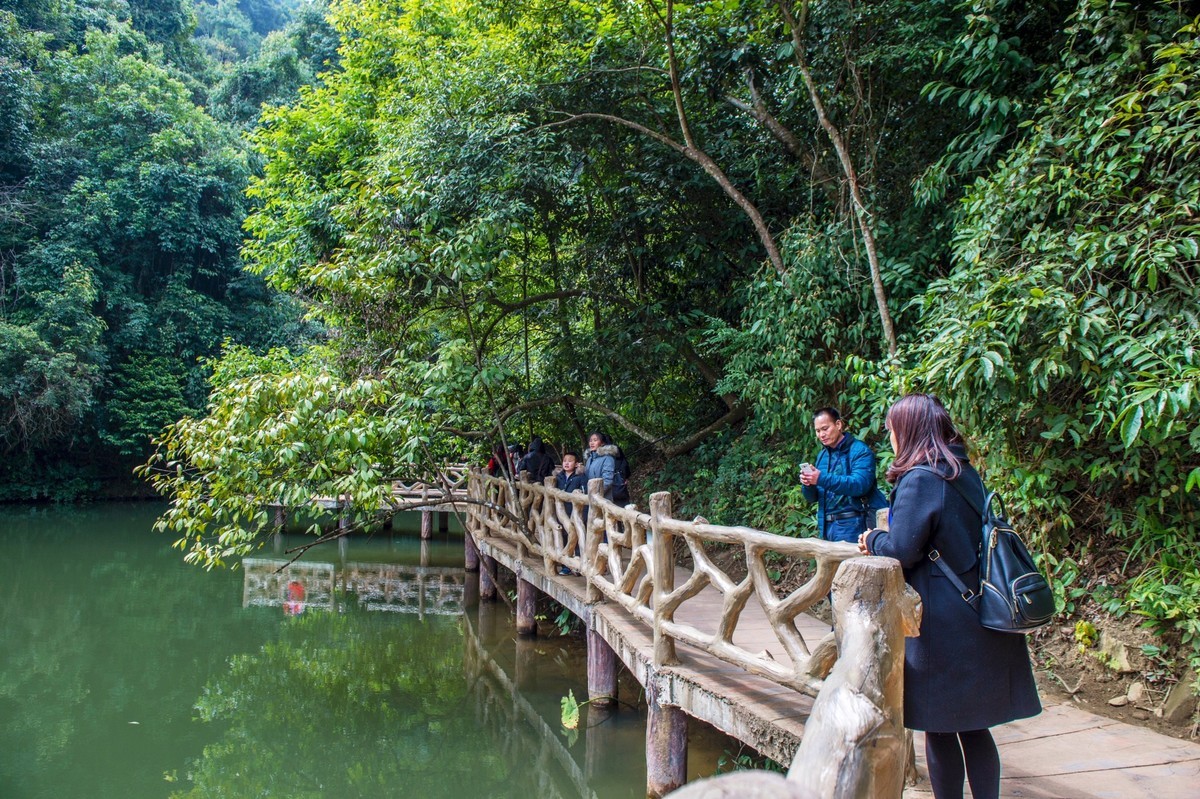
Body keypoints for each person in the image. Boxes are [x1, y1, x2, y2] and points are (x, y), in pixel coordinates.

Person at [859, 394, 1040, 799]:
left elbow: (902, 549)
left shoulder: (921, 478)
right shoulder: (961, 470)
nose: (889, 435)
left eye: (892, 428)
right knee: (975, 727)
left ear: (907, 430)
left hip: (943, 624)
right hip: (976, 611)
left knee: (939, 727)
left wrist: (872, 537)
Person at [799, 407, 886, 542]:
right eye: (817, 431)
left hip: (854, 523)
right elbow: (812, 498)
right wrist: (808, 484)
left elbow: (860, 485)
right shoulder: (822, 455)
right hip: (826, 525)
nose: (821, 434)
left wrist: (821, 478)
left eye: (825, 428)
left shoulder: (859, 450)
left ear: (838, 425)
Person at [583, 430, 618, 500]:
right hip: (590, 496)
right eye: (590, 441)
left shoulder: (608, 458)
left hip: (603, 498)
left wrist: (596, 494)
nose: (592, 443)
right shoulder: (589, 459)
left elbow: (607, 480)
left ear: (602, 443)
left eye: (595, 440)